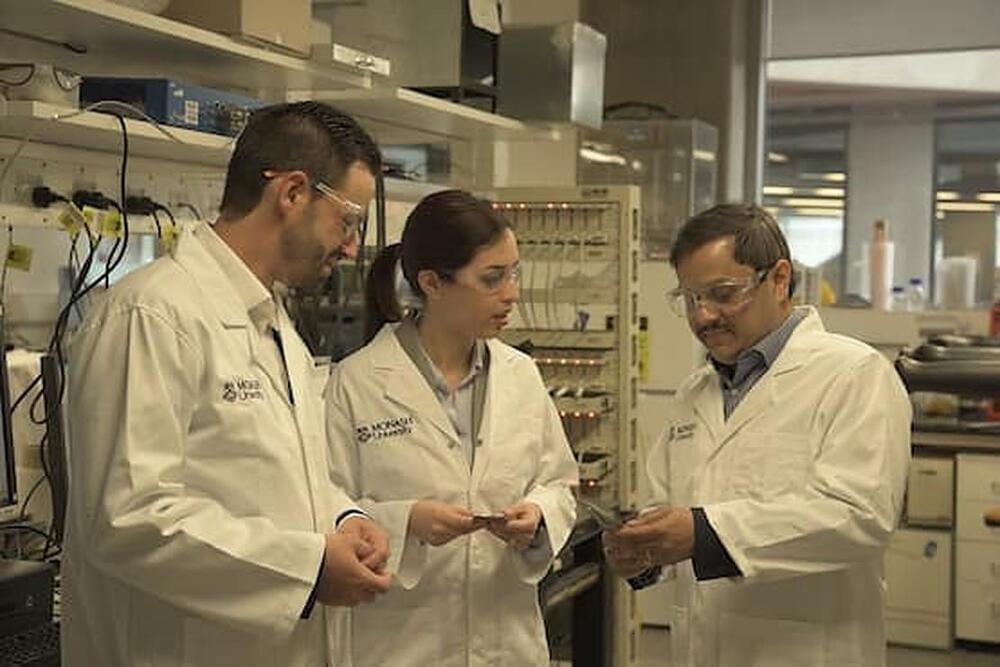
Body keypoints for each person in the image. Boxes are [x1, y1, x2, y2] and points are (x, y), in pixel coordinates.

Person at [63, 101, 393, 667]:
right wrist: (309, 568)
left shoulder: (273, 324)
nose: (351, 247)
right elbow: (129, 519)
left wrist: (344, 519)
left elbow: (275, 479)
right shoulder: (152, 315)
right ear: (292, 193)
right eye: (348, 221)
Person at [603, 204, 911, 667]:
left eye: (723, 294)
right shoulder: (695, 392)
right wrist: (645, 552)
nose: (703, 316)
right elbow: (669, 507)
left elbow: (859, 515)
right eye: (689, 299)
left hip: (805, 652)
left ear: (779, 279)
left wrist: (704, 534)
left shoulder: (854, 374)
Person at [324, 190, 578, 666]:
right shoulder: (357, 382)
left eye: (515, 273)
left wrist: (538, 516)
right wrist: (407, 522)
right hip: (400, 646)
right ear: (432, 283)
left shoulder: (520, 374)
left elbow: (559, 483)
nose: (512, 294)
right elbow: (327, 505)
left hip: (507, 642)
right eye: (492, 278)